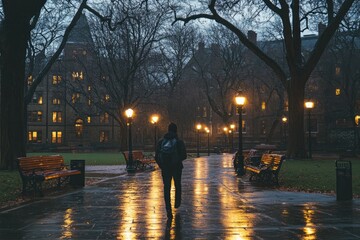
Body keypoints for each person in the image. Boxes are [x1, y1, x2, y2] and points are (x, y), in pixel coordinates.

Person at [155, 122, 187, 218]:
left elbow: (157, 156)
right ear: (176, 130)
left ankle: (168, 209)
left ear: (168, 130)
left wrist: (162, 165)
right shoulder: (178, 141)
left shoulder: (161, 141)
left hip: (165, 168)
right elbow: (184, 155)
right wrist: (177, 160)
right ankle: (177, 203)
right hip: (176, 167)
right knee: (177, 184)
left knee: (167, 187)